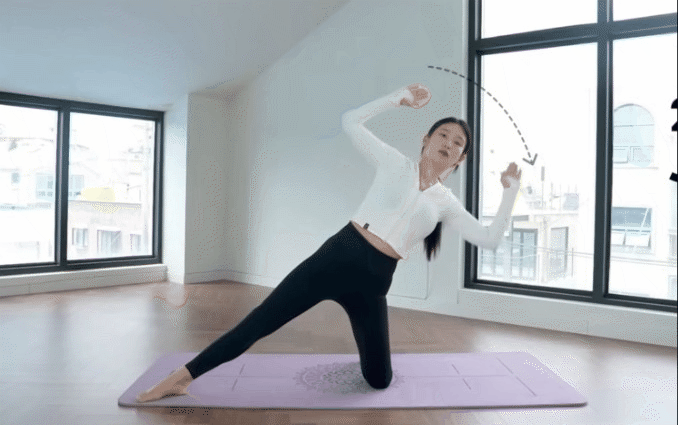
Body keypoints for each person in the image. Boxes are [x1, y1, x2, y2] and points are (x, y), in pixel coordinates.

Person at [136, 83, 521, 403]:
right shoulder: (394, 163)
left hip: (374, 283)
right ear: (426, 139)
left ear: (460, 158)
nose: (449, 143)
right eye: (443, 135)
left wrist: (509, 192)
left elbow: (489, 240)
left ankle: (367, 357)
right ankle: (180, 378)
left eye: (457, 142)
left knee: (380, 380)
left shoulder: (446, 204)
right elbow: (350, 121)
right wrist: (396, 98)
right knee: (259, 322)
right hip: (337, 258)